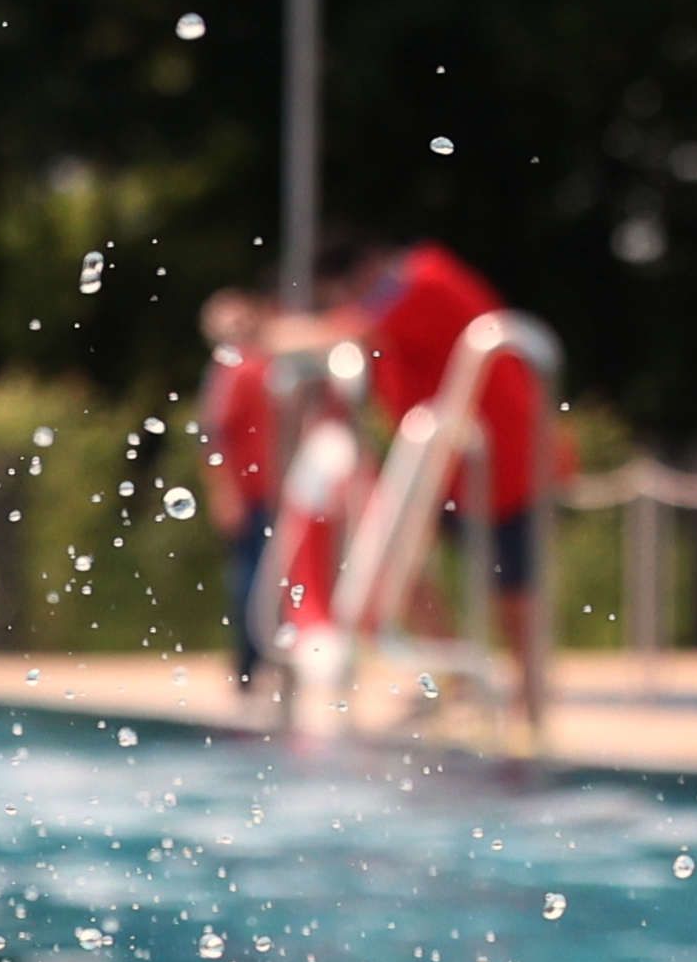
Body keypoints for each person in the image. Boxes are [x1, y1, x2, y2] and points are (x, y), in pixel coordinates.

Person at [307, 234, 557, 743]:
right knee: (393, 567)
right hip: (440, 463)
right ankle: (456, 681)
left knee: (513, 597)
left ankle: (530, 711)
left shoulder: (423, 282)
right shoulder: (402, 289)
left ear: (365, 270)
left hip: (500, 459)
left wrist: (265, 333)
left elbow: (350, 329)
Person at [195, 290, 286, 692]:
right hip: (253, 496)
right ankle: (250, 667)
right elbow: (214, 436)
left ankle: (264, 664)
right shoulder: (236, 370)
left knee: (267, 579)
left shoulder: (257, 365)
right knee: (252, 581)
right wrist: (225, 493)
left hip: (272, 493)